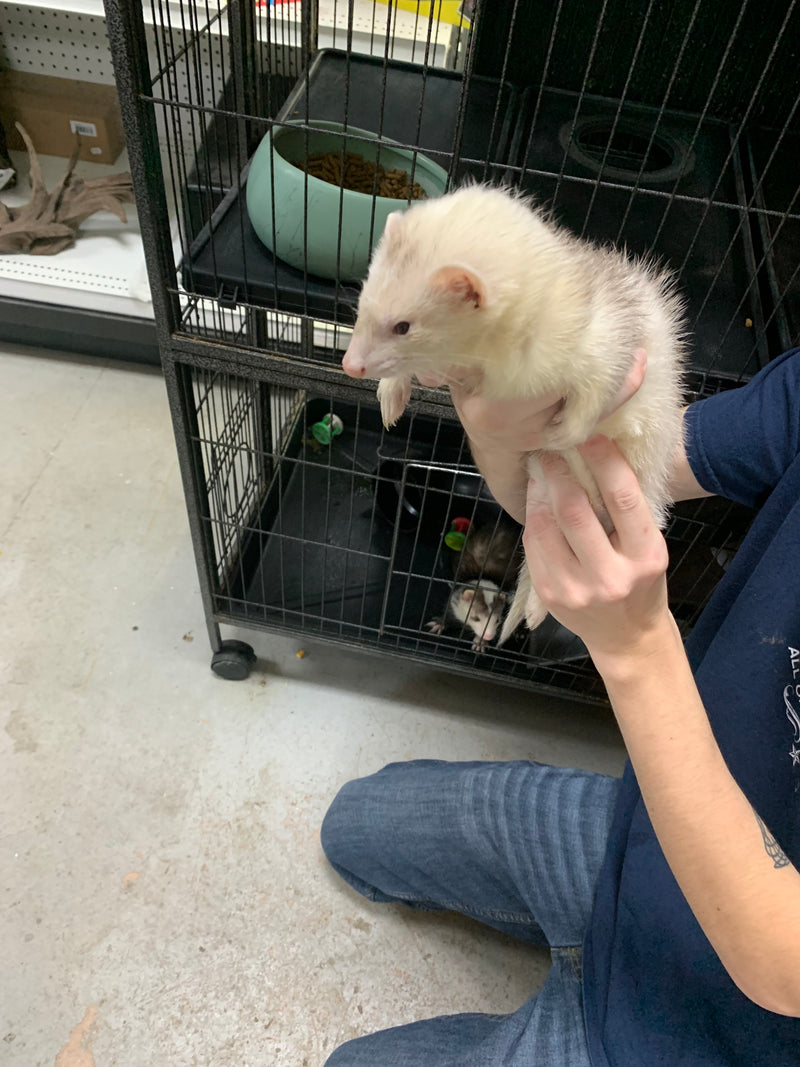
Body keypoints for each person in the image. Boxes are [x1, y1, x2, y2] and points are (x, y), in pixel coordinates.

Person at [320, 347, 800, 1065]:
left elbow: (783, 965)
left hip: (727, 1030)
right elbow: (607, 476)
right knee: (354, 823)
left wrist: (638, 653)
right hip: (646, 837)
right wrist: (499, 424)